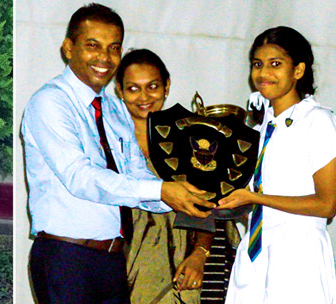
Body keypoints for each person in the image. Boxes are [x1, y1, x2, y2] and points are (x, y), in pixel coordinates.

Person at [21, 4, 215, 303]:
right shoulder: (49, 103)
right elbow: (80, 178)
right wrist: (163, 190)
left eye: (113, 48)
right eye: (92, 46)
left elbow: (136, 174)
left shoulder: (113, 109)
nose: (104, 58)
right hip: (66, 257)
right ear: (68, 48)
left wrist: (189, 196)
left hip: (113, 260)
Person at [217, 26, 336, 303]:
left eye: (276, 64)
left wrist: (254, 198)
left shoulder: (317, 121)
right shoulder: (258, 128)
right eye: (257, 64)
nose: (263, 73)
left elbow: (328, 203)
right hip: (255, 251)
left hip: (298, 254)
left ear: (298, 70)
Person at [115, 48, 214, 304]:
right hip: (120, 263)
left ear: (167, 86)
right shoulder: (108, 140)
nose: (144, 97)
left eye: (153, 86)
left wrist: (200, 254)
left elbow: (207, 205)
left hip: (179, 262)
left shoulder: (190, 139)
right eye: (133, 88)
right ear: (119, 90)